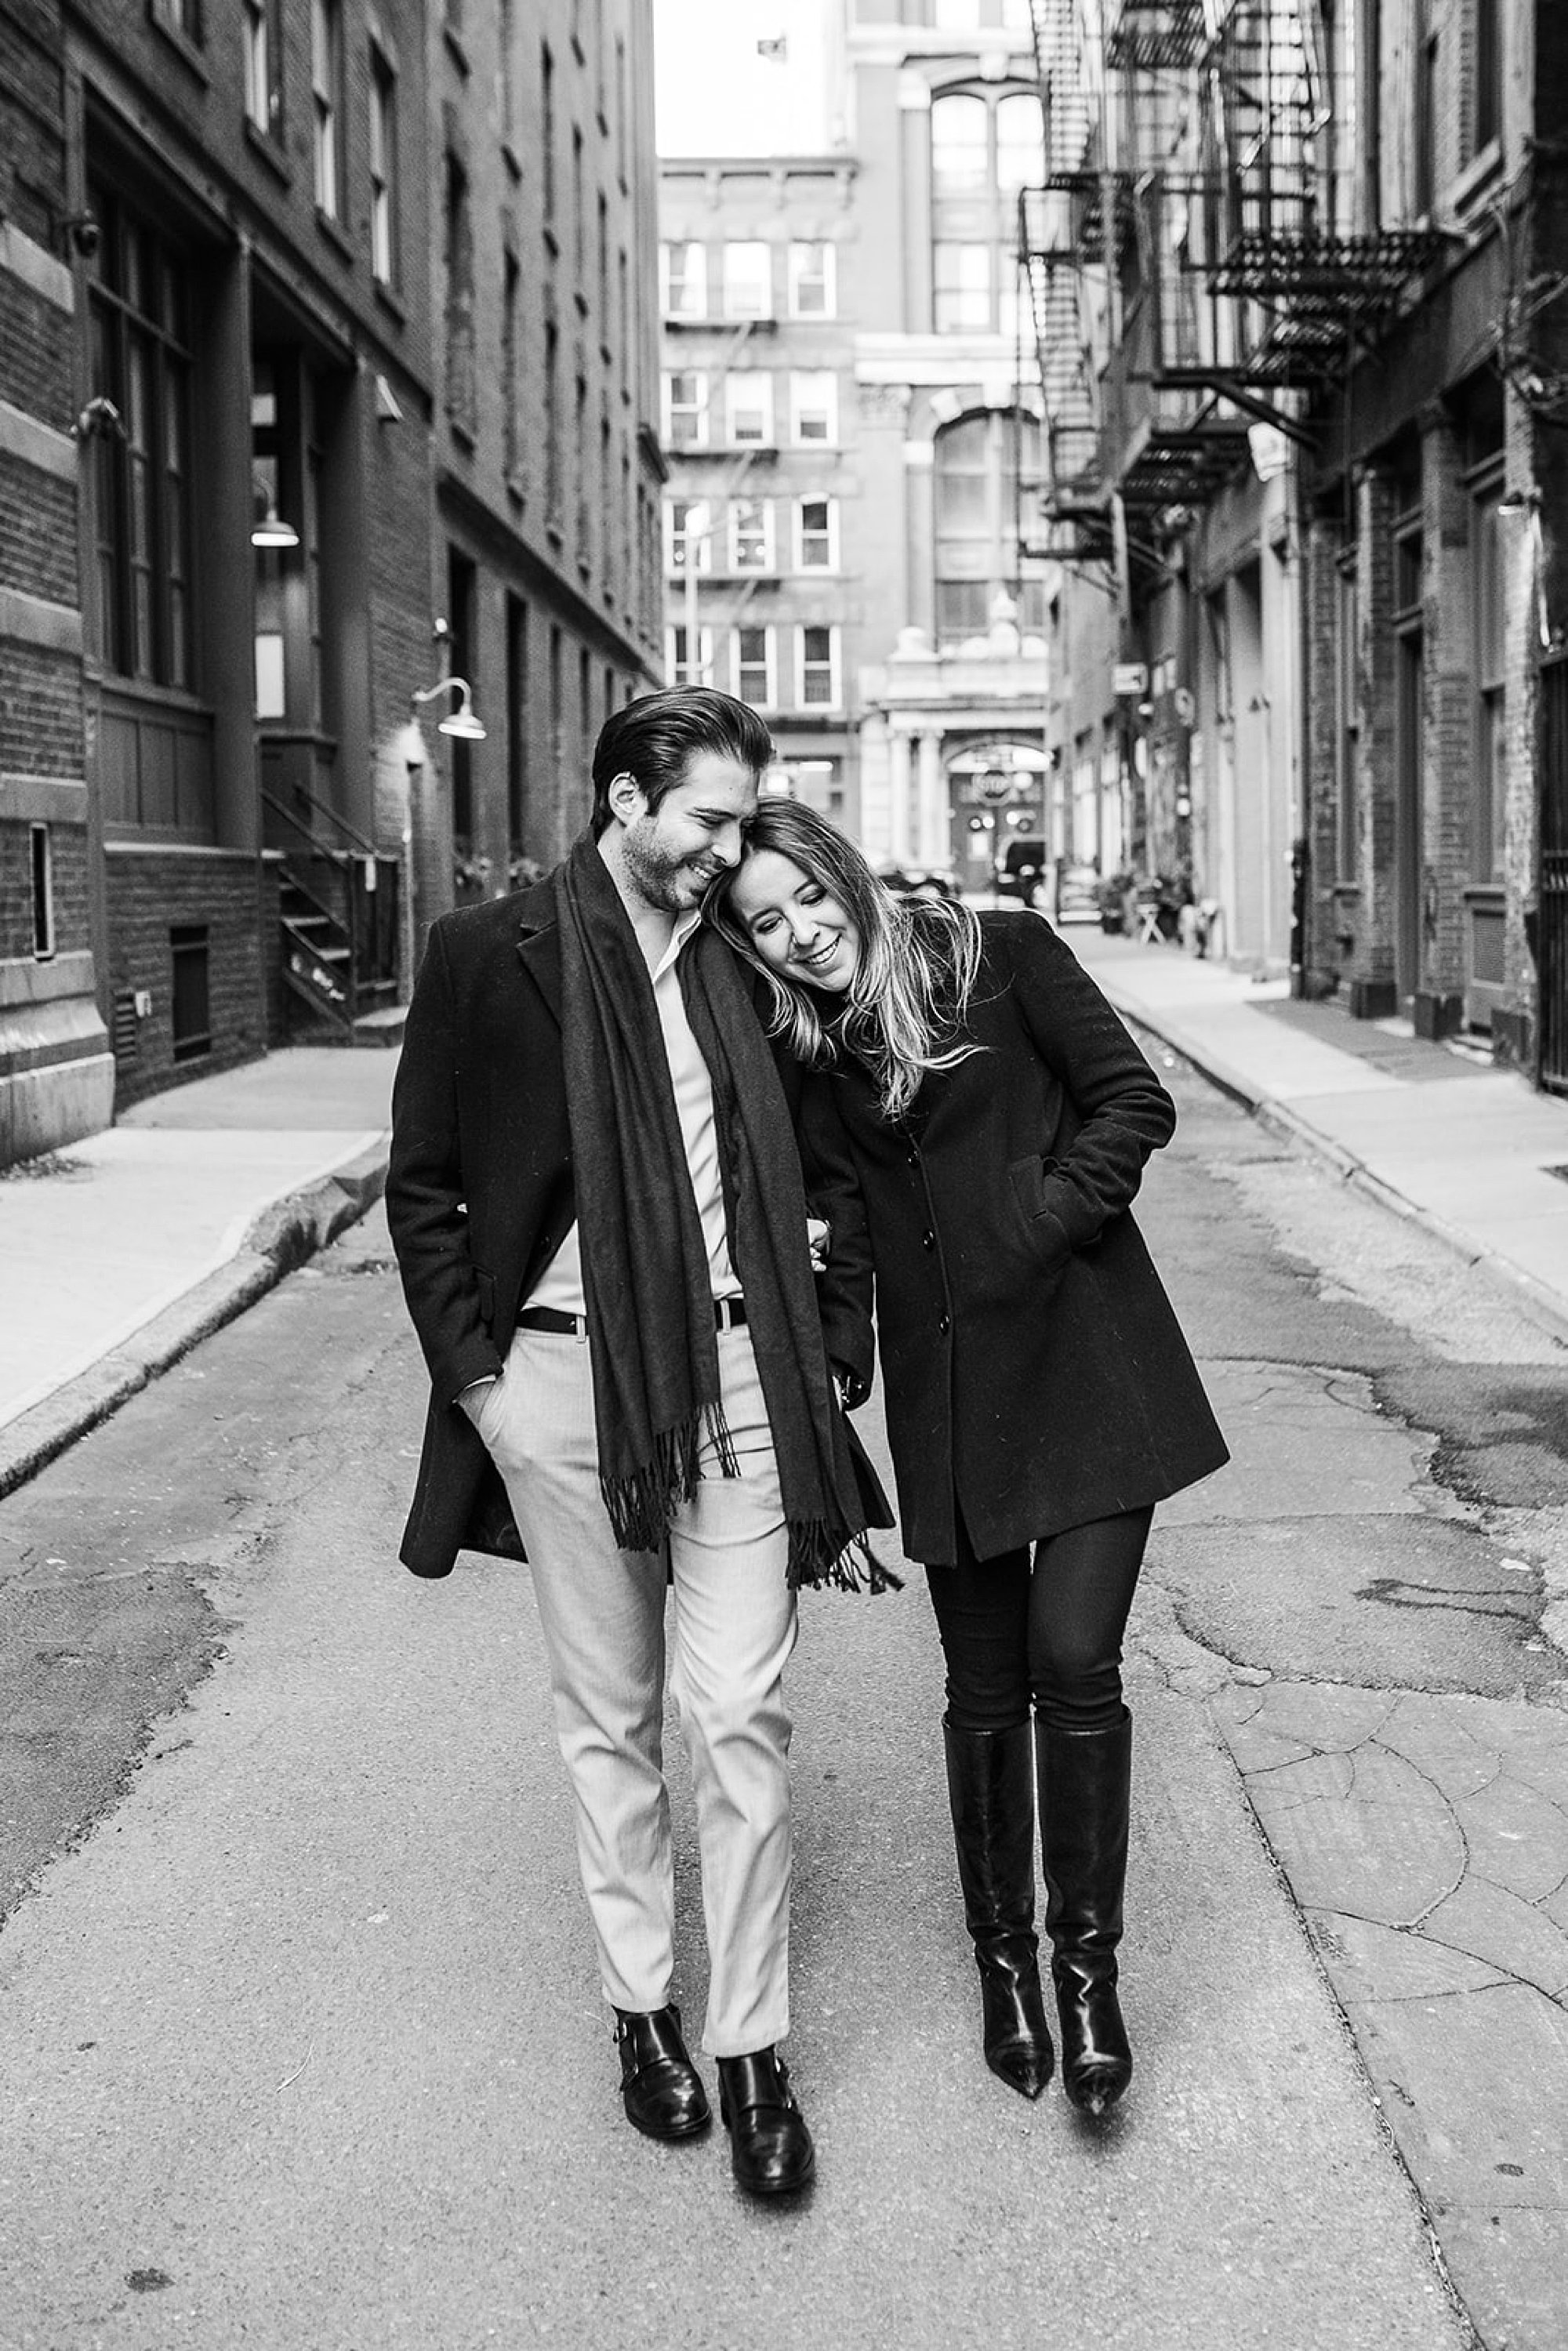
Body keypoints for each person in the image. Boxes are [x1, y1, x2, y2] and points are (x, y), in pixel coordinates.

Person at [387, 691, 887, 2200]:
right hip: (557, 1393)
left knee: (735, 1712)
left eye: (746, 822)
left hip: (739, 1376)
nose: (733, 853)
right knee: (612, 1719)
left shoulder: (745, 956)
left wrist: (836, 1342)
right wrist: (482, 1385)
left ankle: (750, 2045)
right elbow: (423, 1189)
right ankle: (640, 2014)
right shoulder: (493, 956)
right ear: (623, 801)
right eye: (712, 821)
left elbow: (843, 1166)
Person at [710, 800, 1228, 2120]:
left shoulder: (997, 951)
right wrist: (835, 1363)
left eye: (807, 901)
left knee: (1076, 1666)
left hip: (1088, 1362)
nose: (800, 935)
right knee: (984, 1688)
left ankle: (1089, 1976)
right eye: (766, 925)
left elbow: (1133, 1101)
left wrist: (1035, 1224)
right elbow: (843, 1220)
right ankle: (1004, 1969)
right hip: (951, 1401)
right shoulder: (816, 1049)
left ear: (846, 876)